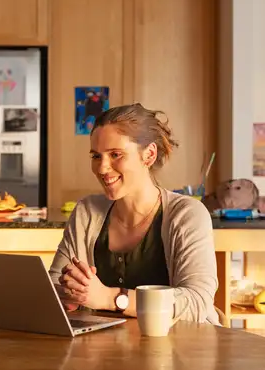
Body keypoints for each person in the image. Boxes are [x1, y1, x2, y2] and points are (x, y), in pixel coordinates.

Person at [50, 103, 219, 324]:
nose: (102, 168)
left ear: (148, 155)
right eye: (96, 156)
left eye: (115, 154)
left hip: (183, 351)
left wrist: (111, 298)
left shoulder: (187, 214)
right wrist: (70, 293)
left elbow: (196, 302)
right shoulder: (86, 212)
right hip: (104, 350)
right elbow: (56, 284)